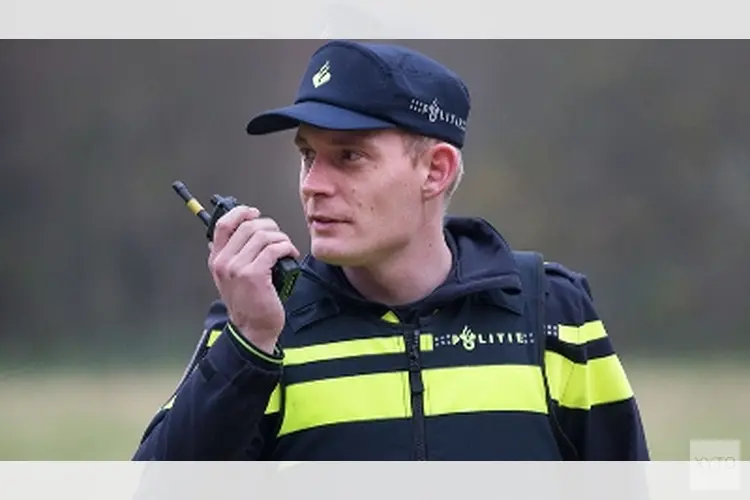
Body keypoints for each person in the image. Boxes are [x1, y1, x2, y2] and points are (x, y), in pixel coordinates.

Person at [132, 40, 650, 461]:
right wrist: (248, 345)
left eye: (349, 156)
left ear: (436, 170)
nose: (313, 184)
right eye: (308, 155)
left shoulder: (552, 313)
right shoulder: (257, 323)